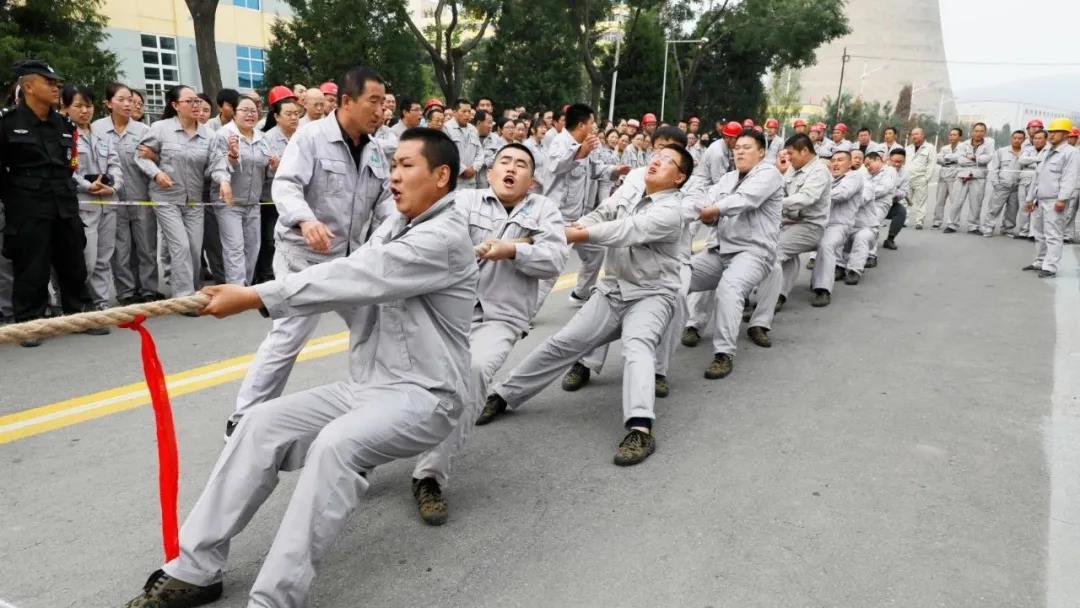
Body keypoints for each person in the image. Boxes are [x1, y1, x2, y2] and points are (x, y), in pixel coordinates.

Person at [123, 127, 477, 608]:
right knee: (259, 424)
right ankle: (195, 567)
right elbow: (348, 280)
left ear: (441, 176)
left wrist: (254, 296)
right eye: (392, 166)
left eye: (406, 166)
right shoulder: (395, 225)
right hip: (369, 387)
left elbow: (360, 275)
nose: (393, 176)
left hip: (425, 397)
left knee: (337, 445)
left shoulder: (444, 236)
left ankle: (274, 599)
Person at [478, 145, 693, 468]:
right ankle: (502, 395)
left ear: (680, 177)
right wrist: (575, 227)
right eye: (655, 156)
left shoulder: (672, 210)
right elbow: (603, 213)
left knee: (637, 347)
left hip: (651, 294)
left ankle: (640, 428)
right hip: (613, 290)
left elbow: (625, 231)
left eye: (667, 162)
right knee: (565, 343)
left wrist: (569, 235)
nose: (656, 162)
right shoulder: (632, 192)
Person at [410, 143, 568, 524]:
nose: (512, 168)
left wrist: (513, 249)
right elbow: (433, 238)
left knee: (476, 370)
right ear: (490, 171)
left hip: (502, 317)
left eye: (522, 165)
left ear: (532, 180)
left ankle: (429, 476)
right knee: (412, 380)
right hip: (447, 310)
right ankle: (368, 450)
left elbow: (555, 259)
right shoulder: (463, 203)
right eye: (505, 162)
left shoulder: (545, 210)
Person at [228, 67, 392, 434]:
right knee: (290, 334)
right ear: (347, 102)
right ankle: (243, 419)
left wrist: (387, 242)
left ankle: (370, 403)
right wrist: (305, 220)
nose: (381, 111)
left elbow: (385, 206)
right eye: (374, 102)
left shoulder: (377, 149)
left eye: (383, 102)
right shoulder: (311, 138)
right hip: (303, 257)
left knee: (371, 327)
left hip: (349, 261)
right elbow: (286, 186)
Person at [0, 60, 94, 347]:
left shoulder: (63, 125)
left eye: (56, 83)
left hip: (63, 205)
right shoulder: (8, 124)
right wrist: (15, 198)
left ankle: (79, 315)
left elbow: (69, 166)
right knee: (32, 267)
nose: (56, 87)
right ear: (28, 86)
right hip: (27, 207)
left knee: (74, 263)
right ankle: (30, 324)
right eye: (48, 82)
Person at [686, 130, 784, 379]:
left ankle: (724, 354)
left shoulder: (769, 174)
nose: (739, 151)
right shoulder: (728, 178)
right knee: (677, 276)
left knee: (729, 288)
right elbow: (704, 202)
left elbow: (745, 200)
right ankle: (667, 335)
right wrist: (697, 211)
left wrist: (712, 210)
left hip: (753, 251)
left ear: (762, 152)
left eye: (747, 147)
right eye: (737, 147)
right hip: (721, 250)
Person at [536, 103, 628, 310]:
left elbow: (595, 169)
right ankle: (522, 316)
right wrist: (580, 152)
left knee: (595, 251)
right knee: (553, 267)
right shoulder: (561, 142)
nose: (594, 127)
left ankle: (581, 293)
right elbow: (555, 167)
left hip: (578, 217)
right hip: (558, 216)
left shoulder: (587, 145)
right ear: (581, 125)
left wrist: (616, 170)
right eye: (592, 123)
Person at [746, 133, 830, 347]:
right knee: (786, 256)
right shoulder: (794, 169)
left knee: (772, 255)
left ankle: (762, 316)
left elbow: (806, 198)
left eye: (791, 153)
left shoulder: (819, 171)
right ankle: (779, 295)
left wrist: (775, 203)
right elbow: (780, 187)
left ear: (804, 151)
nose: (789, 158)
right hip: (790, 223)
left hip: (810, 226)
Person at [135, 85, 213, 300]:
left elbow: (213, 166)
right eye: (190, 101)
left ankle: (193, 288)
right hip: (166, 198)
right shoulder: (160, 128)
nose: (196, 105)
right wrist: (156, 173)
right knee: (181, 246)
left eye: (197, 101)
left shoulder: (208, 134)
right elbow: (140, 155)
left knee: (195, 249)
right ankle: (184, 297)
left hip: (194, 200)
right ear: (175, 105)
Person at [63, 84, 122, 335]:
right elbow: (69, 170)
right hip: (83, 205)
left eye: (88, 105)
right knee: (85, 260)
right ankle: (76, 306)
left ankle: (99, 306)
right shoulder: (66, 135)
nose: (84, 111)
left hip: (108, 204)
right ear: (65, 108)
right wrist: (89, 185)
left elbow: (115, 164)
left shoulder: (102, 136)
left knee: (103, 259)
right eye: (78, 106)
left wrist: (114, 185)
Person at [94, 83, 158, 305]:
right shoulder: (97, 129)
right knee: (120, 250)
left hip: (141, 197)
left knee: (147, 247)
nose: (128, 104)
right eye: (121, 99)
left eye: (130, 100)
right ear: (109, 103)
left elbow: (157, 162)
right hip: (113, 200)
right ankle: (126, 292)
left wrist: (154, 156)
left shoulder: (143, 131)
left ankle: (149, 289)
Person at [208, 95, 269, 286]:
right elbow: (217, 165)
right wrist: (231, 160)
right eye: (245, 110)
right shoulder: (224, 135)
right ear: (234, 112)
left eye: (254, 110)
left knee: (253, 247)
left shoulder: (262, 137)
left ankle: (245, 286)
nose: (250, 114)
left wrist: (274, 165)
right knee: (234, 247)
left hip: (253, 202)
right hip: (229, 202)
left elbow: (266, 167)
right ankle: (236, 288)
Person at [254, 86, 299, 284]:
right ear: (277, 116)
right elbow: (261, 169)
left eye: (297, 114)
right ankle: (265, 275)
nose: (294, 118)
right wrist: (275, 167)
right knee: (269, 239)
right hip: (270, 198)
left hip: (294, 197)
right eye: (288, 114)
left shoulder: (301, 136)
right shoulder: (267, 138)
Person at [1023, 119, 1079, 278]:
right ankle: (1039, 261)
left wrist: (1062, 199)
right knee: (1039, 233)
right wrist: (1030, 199)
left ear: (1066, 134)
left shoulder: (1070, 153)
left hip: (1055, 200)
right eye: (1051, 132)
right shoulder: (1046, 150)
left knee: (1053, 234)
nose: (1051, 135)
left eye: (1056, 132)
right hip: (1040, 199)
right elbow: (1037, 177)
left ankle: (1050, 266)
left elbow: (1069, 177)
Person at [809, 143, 862, 306]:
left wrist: (818, 194)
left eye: (840, 160)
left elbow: (843, 194)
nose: (836, 164)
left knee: (826, 245)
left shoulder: (854, 177)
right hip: (819, 223)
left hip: (839, 225)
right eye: (833, 160)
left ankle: (823, 290)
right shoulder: (828, 177)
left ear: (850, 163)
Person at [843, 149, 896, 284]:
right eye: (865, 166)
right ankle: (844, 262)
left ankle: (871, 255)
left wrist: (866, 192)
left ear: (878, 160)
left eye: (869, 164)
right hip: (865, 203)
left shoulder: (889, 171)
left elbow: (884, 189)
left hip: (880, 203)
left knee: (871, 225)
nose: (867, 167)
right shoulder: (863, 173)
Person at [944, 122, 992, 234]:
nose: (978, 133)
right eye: (976, 131)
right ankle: (952, 225)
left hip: (978, 177)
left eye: (981, 131)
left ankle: (973, 226)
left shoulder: (988, 145)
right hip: (962, 176)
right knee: (956, 201)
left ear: (985, 132)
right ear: (972, 132)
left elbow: (988, 158)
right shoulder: (963, 145)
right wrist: (977, 160)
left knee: (976, 203)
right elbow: (960, 161)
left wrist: (973, 158)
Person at [980, 130, 1025, 237]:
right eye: (1015, 138)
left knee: (1012, 210)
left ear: (1024, 140)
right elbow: (994, 168)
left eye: (1020, 138)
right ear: (1011, 138)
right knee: (994, 208)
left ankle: (1007, 229)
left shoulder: (1026, 153)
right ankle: (988, 228)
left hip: (1017, 187)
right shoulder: (1001, 151)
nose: (1017, 140)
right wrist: (996, 183)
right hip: (1002, 185)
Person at [443, 98, 482, 190]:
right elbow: (447, 153)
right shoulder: (446, 128)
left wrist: (474, 168)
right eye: (464, 111)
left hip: (471, 181)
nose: (467, 114)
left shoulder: (473, 129)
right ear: (454, 112)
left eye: (469, 111)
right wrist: (463, 169)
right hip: (454, 181)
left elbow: (480, 153)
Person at [1016, 129, 1048, 239]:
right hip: (1024, 181)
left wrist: (1031, 161)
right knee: (1023, 207)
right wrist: (1037, 159)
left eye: (1040, 138)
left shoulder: (1049, 150)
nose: (1037, 141)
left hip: (1040, 182)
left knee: (1035, 207)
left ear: (1045, 139)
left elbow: (1044, 163)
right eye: (1035, 138)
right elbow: (1021, 160)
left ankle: (1033, 233)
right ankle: (1023, 231)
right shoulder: (1028, 149)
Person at [932, 128, 962, 229]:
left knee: (955, 201)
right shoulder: (945, 148)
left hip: (955, 176)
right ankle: (937, 221)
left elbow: (959, 158)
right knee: (939, 200)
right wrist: (950, 159)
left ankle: (952, 222)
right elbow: (938, 159)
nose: (951, 137)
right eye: (950, 135)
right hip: (943, 175)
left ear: (959, 136)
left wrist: (947, 158)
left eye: (954, 135)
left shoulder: (963, 147)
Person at [904, 127, 934, 230]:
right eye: (912, 134)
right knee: (906, 201)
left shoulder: (929, 148)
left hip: (920, 179)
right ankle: (904, 220)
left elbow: (931, 163)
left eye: (916, 134)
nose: (914, 136)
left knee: (920, 201)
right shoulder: (908, 148)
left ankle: (919, 221)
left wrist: (927, 178)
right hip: (908, 179)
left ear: (922, 135)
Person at [881, 148, 909, 250]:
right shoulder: (881, 169)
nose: (897, 164)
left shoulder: (905, 174)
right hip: (874, 203)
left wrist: (895, 195)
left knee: (901, 211)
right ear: (889, 159)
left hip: (891, 203)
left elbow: (904, 191)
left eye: (900, 162)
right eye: (895, 161)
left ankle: (890, 239)